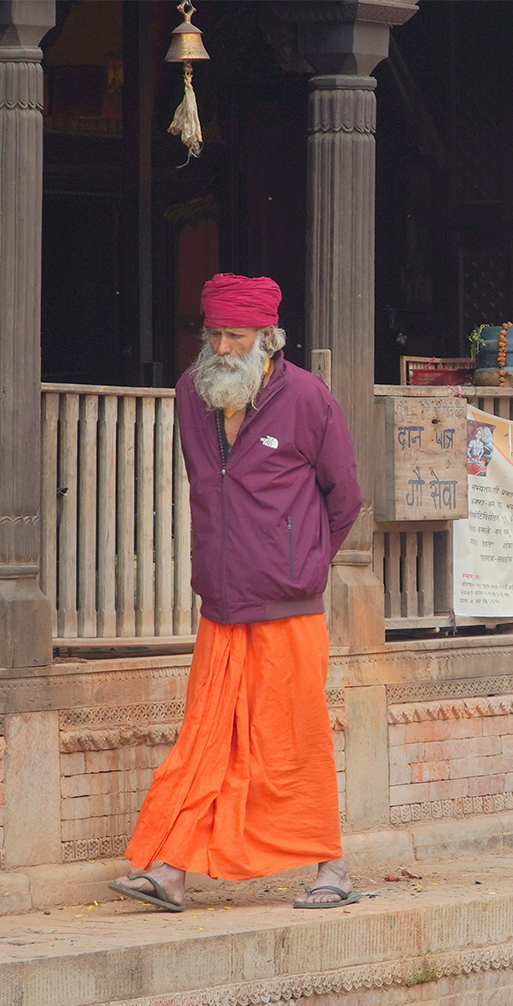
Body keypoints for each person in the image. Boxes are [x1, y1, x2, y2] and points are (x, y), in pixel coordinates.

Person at [109, 273, 363, 911]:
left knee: (292, 739)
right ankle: (170, 870)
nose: (223, 347)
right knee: (207, 734)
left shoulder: (308, 399)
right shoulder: (191, 395)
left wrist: (300, 565)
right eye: (215, 334)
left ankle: (331, 869)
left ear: (268, 339)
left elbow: (346, 498)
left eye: (237, 335)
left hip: (286, 608)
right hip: (220, 605)